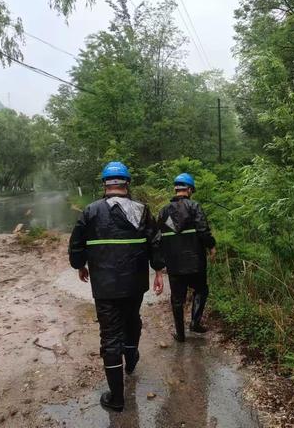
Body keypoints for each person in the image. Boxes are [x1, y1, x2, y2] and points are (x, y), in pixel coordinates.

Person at [68, 161, 164, 412]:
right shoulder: (142, 210)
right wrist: (159, 272)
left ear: (105, 184)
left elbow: (76, 244)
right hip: (135, 284)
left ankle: (117, 398)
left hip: (105, 286)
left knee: (110, 336)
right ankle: (131, 359)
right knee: (132, 319)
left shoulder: (90, 211)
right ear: (126, 183)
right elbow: (156, 243)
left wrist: (80, 265)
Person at [157, 173, 216, 342]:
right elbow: (203, 230)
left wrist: (160, 263)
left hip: (174, 264)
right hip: (196, 262)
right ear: (189, 189)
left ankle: (180, 335)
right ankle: (195, 323)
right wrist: (211, 246)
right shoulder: (194, 206)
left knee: (177, 299)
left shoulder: (163, 211)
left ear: (176, 189)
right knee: (201, 290)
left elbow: (158, 238)